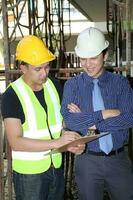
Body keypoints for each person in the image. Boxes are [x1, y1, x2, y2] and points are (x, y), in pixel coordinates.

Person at [1, 35, 84, 200]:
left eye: (46, 67)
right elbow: (15, 142)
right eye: (38, 69)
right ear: (23, 68)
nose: (44, 73)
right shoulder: (11, 95)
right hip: (29, 175)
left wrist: (70, 143)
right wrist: (57, 143)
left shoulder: (54, 86)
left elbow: (60, 125)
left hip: (55, 167)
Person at [61, 27, 133, 200]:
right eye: (83, 58)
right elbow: (70, 121)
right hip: (87, 161)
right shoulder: (73, 86)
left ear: (105, 55)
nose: (88, 64)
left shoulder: (120, 83)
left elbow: (129, 118)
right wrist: (104, 113)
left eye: (93, 57)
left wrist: (88, 120)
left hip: (119, 159)